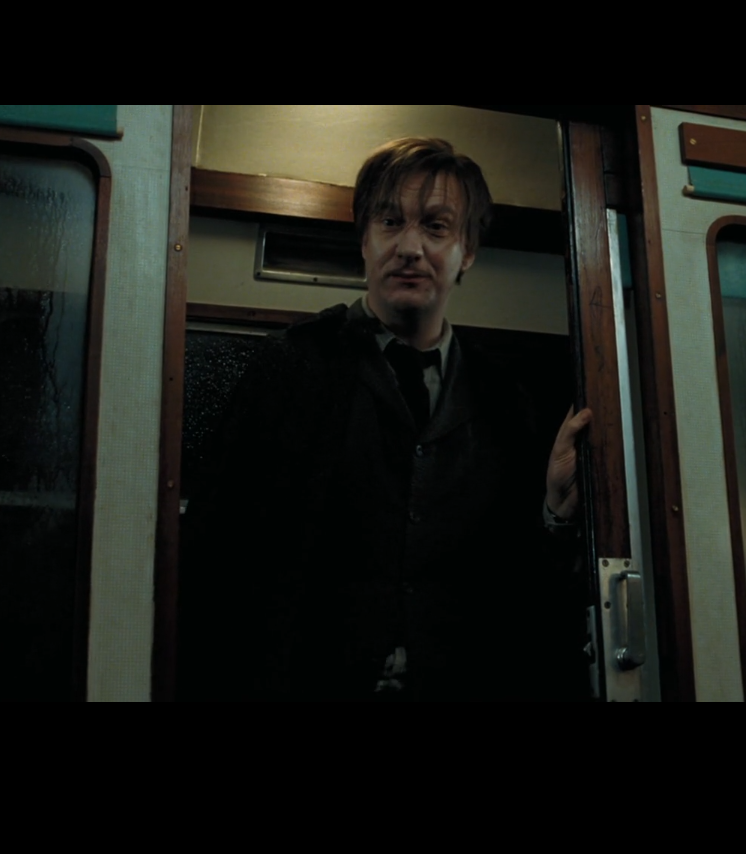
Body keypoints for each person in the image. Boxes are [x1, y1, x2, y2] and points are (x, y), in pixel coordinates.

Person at [180, 137, 594, 700]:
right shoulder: (289, 367)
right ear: (364, 239)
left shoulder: (505, 399)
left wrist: (553, 512)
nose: (410, 247)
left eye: (436, 226)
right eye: (391, 222)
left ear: (468, 250)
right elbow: (216, 555)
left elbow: (519, 585)